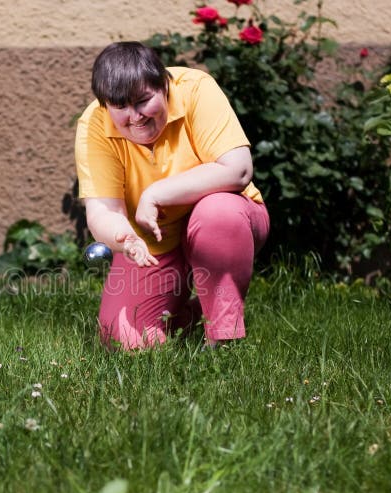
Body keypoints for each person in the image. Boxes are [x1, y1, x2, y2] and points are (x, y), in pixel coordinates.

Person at [75, 41, 269, 350]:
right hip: (155, 243)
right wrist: (125, 237)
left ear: (164, 86)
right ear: (105, 105)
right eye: (120, 106)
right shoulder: (94, 124)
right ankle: (194, 315)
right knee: (124, 339)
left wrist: (156, 193)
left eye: (143, 101)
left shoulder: (196, 89)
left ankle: (223, 338)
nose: (135, 116)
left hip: (224, 221)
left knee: (216, 213)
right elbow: (102, 212)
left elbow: (238, 170)